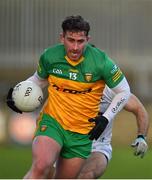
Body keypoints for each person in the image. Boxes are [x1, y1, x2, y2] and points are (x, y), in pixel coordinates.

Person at [6, 15, 131, 179]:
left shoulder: (101, 62)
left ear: (88, 39)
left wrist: (106, 118)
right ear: (62, 38)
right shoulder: (50, 56)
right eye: (71, 40)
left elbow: (124, 91)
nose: (75, 47)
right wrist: (18, 92)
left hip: (81, 134)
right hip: (53, 123)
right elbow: (38, 80)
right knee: (41, 166)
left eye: (80, 41)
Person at [77, 85, 149, 179]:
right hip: (69, 142)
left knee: (86, 175)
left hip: (98, 145)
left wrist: (141, 137)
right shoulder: (70, 87)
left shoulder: (111, 91)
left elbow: (139, 109)